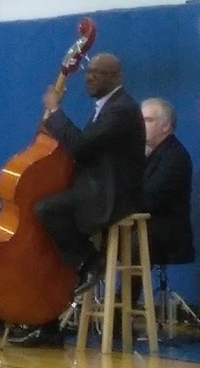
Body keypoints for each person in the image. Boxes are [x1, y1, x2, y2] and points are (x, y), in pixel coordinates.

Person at [12, 53, 146, 347]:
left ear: (117, 78)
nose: (90, 78)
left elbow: (82, 147)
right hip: (93, 189)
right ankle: (47, 321)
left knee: (46, 209)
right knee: (49, 232)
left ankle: (89, 259)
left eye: (99, 73)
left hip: (112, 197)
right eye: (88, 73)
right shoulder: (105, 108)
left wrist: (56, 111)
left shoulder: (122, 109)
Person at [141, 96, 195, 268]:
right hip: (147, 228)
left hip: (164, 234)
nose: (141, 125)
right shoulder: (149, 153)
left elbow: (150, 199)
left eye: (148, 120)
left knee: (122, 239)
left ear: (166, 126)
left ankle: (124, 295)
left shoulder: (174, 157)